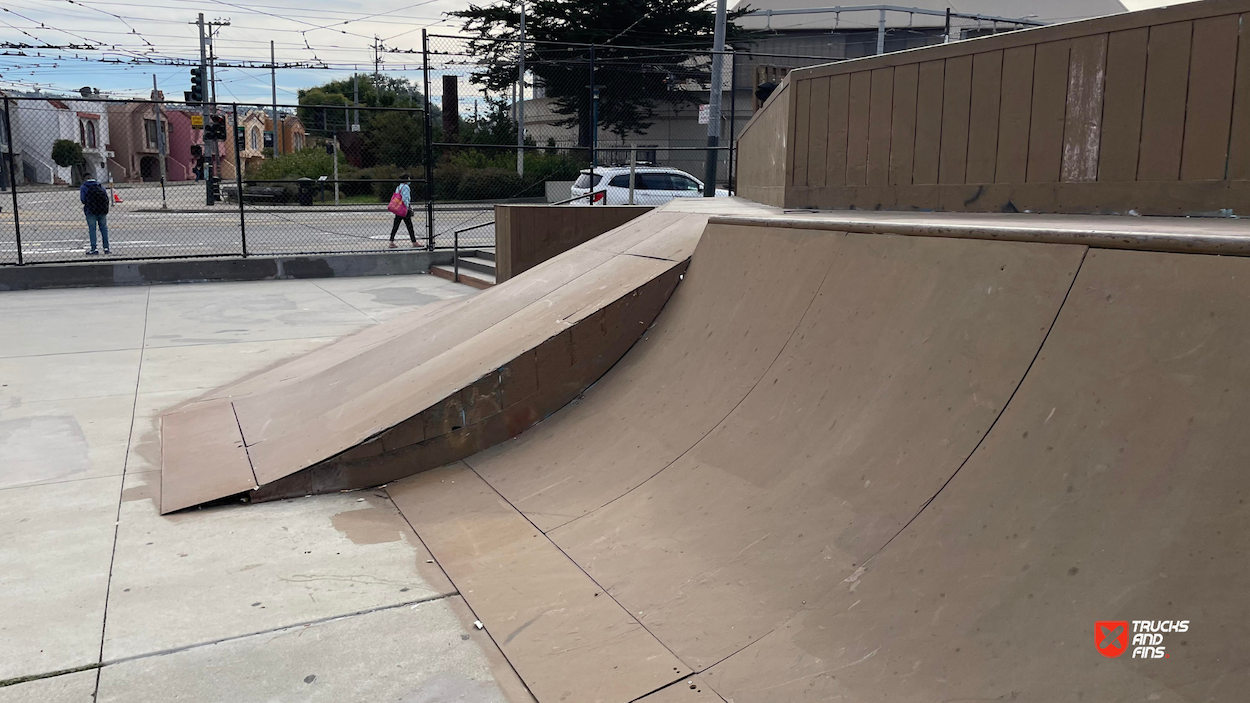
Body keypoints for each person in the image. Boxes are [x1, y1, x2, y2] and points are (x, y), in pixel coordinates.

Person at [79, 172, 111, 255]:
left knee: (92, 230)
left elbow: (83, 199)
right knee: (104, 229)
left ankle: (94, 248)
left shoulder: (84, 187)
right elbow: (106, 198)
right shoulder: (100, 186)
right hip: (102, 210)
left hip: (90, 210)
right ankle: (106, 247)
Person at [389, 174, 417, 248]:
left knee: (396, 225)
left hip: (398, 209)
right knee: (409, 226)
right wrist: (407, 207)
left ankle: (391, 241)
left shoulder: (399, 187)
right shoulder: (406, 187)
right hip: (404, 209)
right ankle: (414, 242)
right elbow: (405, 198)